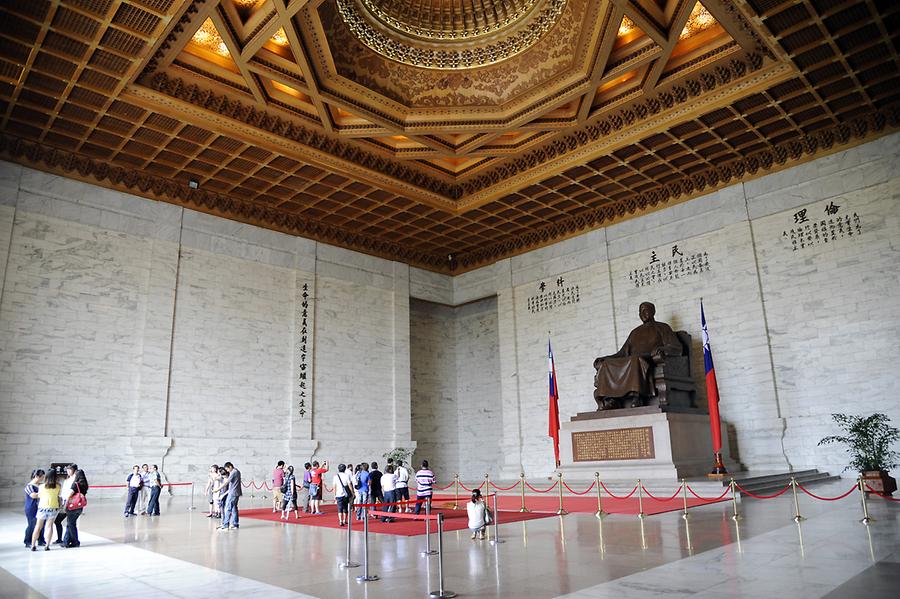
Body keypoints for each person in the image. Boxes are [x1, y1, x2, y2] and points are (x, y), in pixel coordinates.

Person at [593, 301, 683, 410]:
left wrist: (662, 349)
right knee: (607, 364)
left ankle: (637, 397)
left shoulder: (662, 327)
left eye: (645, 310)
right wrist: (606, 358)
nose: (642, 314)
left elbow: (676, 347)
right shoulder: (635, 332)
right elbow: (622, 353)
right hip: (633, 360)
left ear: (653, 312)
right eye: (640, 312)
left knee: (635, 360)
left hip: (649, 359)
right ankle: (611, 400)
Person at [31, 468, 60, 551]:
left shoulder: (41, 486)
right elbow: (58, 495)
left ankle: (33, 545)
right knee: (49, 526)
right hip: (53, 507)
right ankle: (47, 545)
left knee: (38, 527)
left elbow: (39, 496)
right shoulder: (58, 486)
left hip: (42, 508)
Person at [62, 464, 88, 547]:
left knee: (71, 524)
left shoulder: (75, 484)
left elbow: (69, 495)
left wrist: (65, 505)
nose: (68, 472)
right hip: (79, 506)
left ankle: (75, 542)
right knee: (70, 523)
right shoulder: (84, 485)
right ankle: (66, 541)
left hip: (72, 506)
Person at [218, 462, 242, 531]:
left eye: (227, 469)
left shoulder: (234, 472)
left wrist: (218, 489)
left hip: (233, 493)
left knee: (227, 508)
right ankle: (235, 524)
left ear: (230, 466)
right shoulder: (237, 471)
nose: (227, 471)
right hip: (236, 492)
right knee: (234, 508)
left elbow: (227, 482)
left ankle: (225, 526)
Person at [24, 469, 44, 548]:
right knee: (32, 525)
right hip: (31, 508)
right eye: (41, 477)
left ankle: (41, 540)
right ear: (36, 476)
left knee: (41, 524)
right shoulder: (29, 486)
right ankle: (28, 541)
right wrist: (44, 493)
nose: (42, 478)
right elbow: (33, 495)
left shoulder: (41, 485)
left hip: (41, 507)